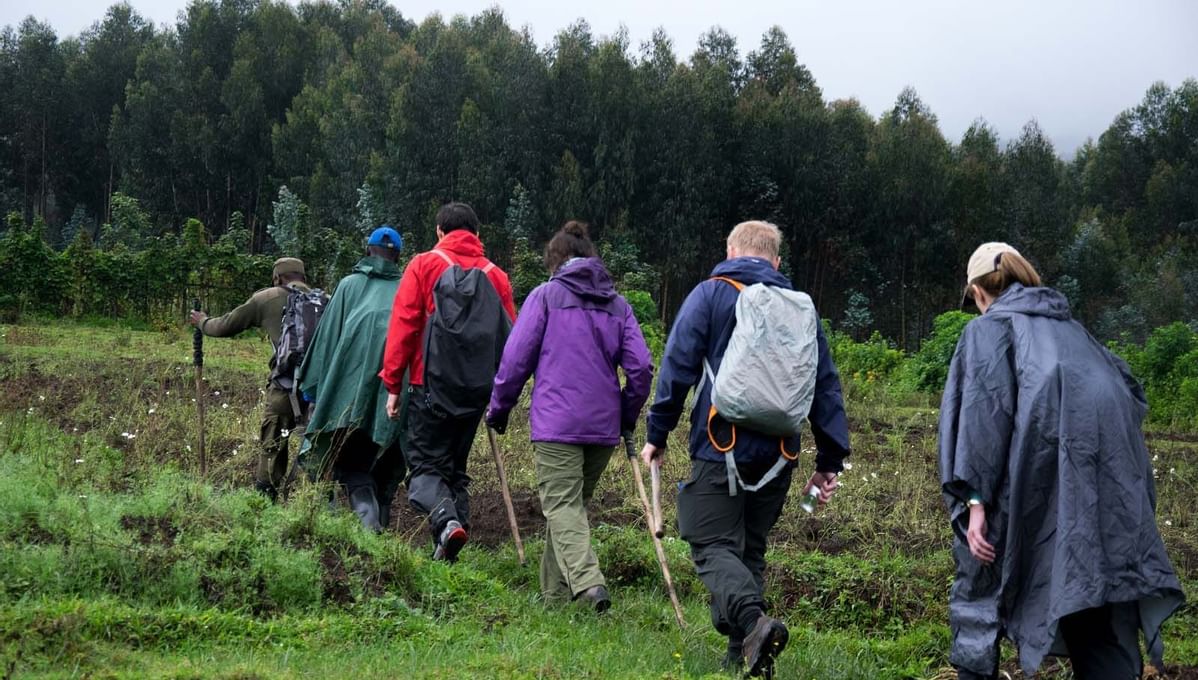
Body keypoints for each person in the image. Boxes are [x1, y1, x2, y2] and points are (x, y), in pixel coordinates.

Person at [939, 242, 1185, 680]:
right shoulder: (1078, 335)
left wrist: (974, 502)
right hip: (1100, 506)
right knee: (1092, 599)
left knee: (980, 599)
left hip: (1030, 497)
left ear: (978, 293)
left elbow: (982, 420)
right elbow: (1129, 400)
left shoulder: (987, 331)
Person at [640, 220, 850, 677]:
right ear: (777, 261)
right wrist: (830, 461)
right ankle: (744, 656)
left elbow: (678, 365)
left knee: (709, 541)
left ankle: (755, 624)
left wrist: (658, 433)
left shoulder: (711, 294)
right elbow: (825, 386)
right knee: (749, 550)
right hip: (780, 456)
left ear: (731, 250)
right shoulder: (801, 308)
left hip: (720, 444)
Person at [486, 221, 654, 611]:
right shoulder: (619, 305)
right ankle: (554, 600)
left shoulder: (546, 296)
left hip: (556, 425)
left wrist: (499, 408)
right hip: (602, 429)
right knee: (570, 511)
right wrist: (625, 415)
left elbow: (514, 360)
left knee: (562, 508)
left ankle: (589, 583)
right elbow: (642, 370)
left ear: (555, 261)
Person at [379, 202, 516, 561]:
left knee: (424, 468)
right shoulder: (496, 276)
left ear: (440, 231)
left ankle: (445, 522)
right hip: (476, 393)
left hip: (429, 386)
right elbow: (510, 338)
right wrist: (500, 394)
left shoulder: (423, 265)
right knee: (454, 469)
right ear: (477, 235)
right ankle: (449, 552)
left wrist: (393, 385)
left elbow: (404, 327)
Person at [295, 226, 407, 532]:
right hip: (395, 399)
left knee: (352, 467)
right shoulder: (409, 289)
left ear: (368, 251)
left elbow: (326, 340)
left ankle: (373, 535)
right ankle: (381, 537)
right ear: (397, 256)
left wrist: (314, 391)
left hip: (347, 397)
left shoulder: (347, 286)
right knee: (381, 468)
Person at [189, 257, 312, 501]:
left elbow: (225, 326)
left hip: (284, 389)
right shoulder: (325, 301)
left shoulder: (267, 298)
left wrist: (202, 321)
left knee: (273, 446)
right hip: (320, 391)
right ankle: (317, 504)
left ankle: (265, 504)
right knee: (320, 448)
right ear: (303, 277)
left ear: (277, 278)